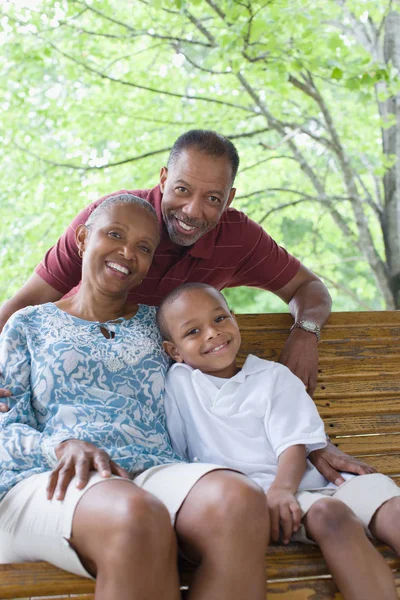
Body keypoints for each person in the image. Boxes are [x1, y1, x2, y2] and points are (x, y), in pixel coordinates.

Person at [0, 129, 370, 484]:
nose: (193, 211)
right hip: (75, 398)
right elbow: (25, 304)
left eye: (212, 198)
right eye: (182, 189)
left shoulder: (238, 238)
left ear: (229, 198)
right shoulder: (114, 220)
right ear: (163, 179)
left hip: (165, 417)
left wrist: (305, 334)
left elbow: (309, 287)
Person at [0, 196, 270, 600]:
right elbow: (5, 425)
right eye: (115, 235)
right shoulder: (29, 324)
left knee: (239, 500)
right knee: (138, 515)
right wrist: (58, 445)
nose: (128, 253)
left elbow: (224, 389)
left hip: (153, 470)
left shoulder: (156, 324)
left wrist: (309, 447)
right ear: (82, 238)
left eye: (144, 248)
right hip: (49, 477)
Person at [157, 282, 400, 600]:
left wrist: (283, 489)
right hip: (259, 500)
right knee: (332, 516)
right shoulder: (178, 384)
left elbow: (293, 443)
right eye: (192, 332)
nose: (212, 333)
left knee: (393, 509)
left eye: (219, 319)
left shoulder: (271, 376)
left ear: (235, 318)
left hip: (309, 481)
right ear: (174, 351)